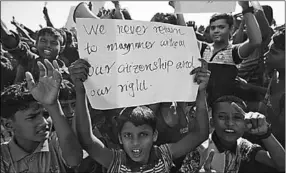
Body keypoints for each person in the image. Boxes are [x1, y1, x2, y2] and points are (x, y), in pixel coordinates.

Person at [68, 58, 210, 172]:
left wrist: (201, 91)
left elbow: (201, 134)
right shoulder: (116, 160)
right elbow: (87, 139)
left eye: (143, 134)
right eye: (128, 135)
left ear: (154, 135)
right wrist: (81, 92)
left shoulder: (163, 156)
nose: (136, 142)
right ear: (120, 138)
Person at [0, 59, 83, 172]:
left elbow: (74, 160)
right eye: (32, 117)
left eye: (46, 114)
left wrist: (53, 105)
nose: (44, 122)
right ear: (8, 125)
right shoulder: (3, 156)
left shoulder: (55, 143)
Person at [179, 95, 285, 173]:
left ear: (245, 123)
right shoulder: (200, 149)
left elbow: (283, 166)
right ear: (212, 122)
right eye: (222, 117)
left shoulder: (243, 147)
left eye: (237, 117)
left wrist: (266, 133)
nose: (229, 123)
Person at [200, 1, 262, 105]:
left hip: (224, 109)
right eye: (213, 28)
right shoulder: (203, 48)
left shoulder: (233, 51)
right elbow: (185, 36)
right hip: (203, 106)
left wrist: (245, 8)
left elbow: (255, 41)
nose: (216, 31)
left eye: (221, 27)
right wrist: (178, 10)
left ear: (231, 29)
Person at [1, 20, 69, 83]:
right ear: (36, 44)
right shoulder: (29, 60)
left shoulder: (68, 75)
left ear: (62, 48)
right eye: (43, 41)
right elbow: (11, 42)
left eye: (54, 42)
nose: (48, 45)